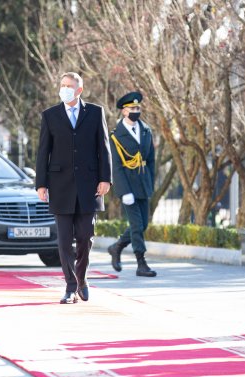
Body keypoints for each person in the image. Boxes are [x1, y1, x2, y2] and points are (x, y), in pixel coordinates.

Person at [35, 72, 112, 304]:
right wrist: (41, 184)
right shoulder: (50, 115)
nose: (64, 88)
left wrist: (105, 178)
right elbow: (43, 152)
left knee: (86, 236)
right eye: (62, 85)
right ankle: (70, 286)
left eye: (69, 85)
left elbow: (104, 147)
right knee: (64, 240)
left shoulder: (95, 112)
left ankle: (82, 278)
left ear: (79, 90)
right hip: (60, 186)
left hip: (90, 185)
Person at [106, 91, 157, 277]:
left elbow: (151, 160)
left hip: (143, 183)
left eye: (138, 108)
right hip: (128, 186)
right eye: (132, 108)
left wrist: (151, 180)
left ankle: (117, 246)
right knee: (136, 224)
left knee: (143, 224)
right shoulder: (116, 136)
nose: (136, 111)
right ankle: (141, 263)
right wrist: (124, 191)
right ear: (124, 111)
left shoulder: (146, 130)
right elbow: (116, 166)